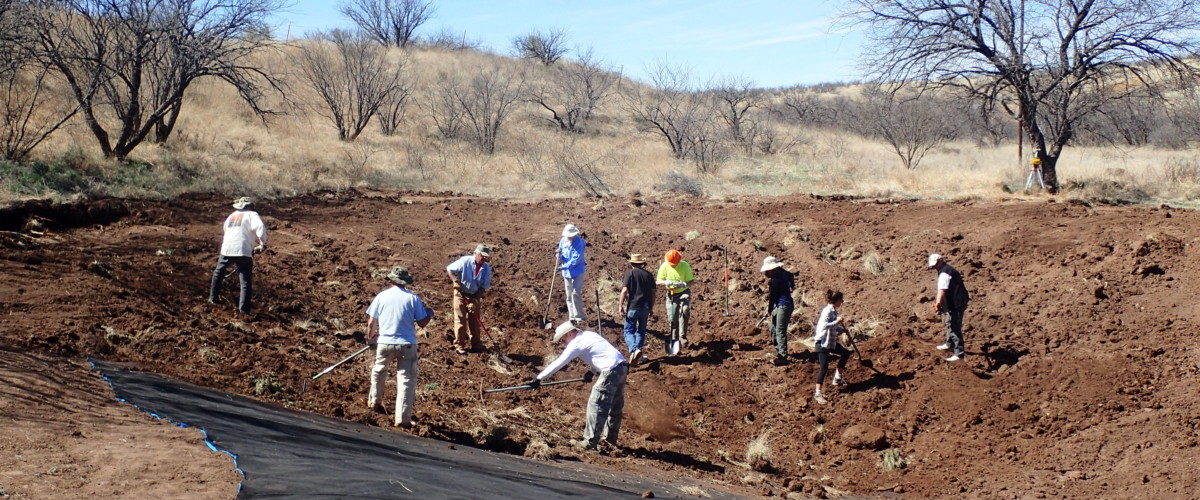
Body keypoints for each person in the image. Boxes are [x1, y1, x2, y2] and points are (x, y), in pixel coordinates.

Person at [525, 321, 628, 450]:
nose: (563, 342)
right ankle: (610, 441)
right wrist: (591, 371)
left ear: (569, 334)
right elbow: (601, 353)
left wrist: (539, 378)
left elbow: (560, 362)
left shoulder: (576, 343)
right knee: (615, 407)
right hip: (622, 367)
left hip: (610, 370)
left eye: (563, 339)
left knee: (596, 404)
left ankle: (589, 443)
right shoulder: (589, 335)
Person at [366, 266, 432, 428]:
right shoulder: (413, 298)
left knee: (379, 370)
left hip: (385, 342)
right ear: (405, 282)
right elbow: (422, 322)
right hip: (406, 344)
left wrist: (370, 339)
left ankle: (374, 401)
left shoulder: (382, 296)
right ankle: (402, 419)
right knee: (406, 380)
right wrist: (430, 313)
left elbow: (371, 322)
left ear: (391, 280)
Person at [208, 196, 267, 314]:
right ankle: (244, 311)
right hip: (243, 250)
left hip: (227, 249)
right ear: (250, 206)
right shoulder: (252, 215)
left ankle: (213, 298)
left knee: (218, 272)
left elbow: (226, 230)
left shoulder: (232, 215)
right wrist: (262, 244)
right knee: (245, 280)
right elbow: (260, 227)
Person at [445, 244, 493, 354]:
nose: (484, 259)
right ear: (476, 253)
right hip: (460, 295)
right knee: (460, 321)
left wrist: (475, 301)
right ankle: (459, 345)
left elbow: (483, 287)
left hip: (474, 295)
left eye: (486, 257)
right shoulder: (465, 261)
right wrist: (455, 281)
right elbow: (450, 269)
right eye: (482, 256)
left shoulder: (486, 269)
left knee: (475, 322)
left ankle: (476, 344)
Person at [928, 253, 970, 361]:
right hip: (956, 301)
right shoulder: (946, 270)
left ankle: (959, 353)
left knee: (954, 327)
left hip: (957, 302)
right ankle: (949, 343)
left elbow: (942, 290)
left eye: (936, 264)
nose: (934, 267)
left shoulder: (945, 273)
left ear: (941, 260)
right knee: (949, 322)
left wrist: (938, 303)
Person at [812, 290, 850, 405]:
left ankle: (837, 379)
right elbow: (825, 326)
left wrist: (843, 330)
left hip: (830, 342)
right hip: (822, 343)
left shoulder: (833, 311)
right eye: (841, 300)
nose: (842, 302)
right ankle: (818, 394)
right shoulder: (827, 311)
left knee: (846, 353)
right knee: (824, 368)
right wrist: (837, 321)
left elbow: (833, 327)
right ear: (836, 300)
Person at [618, 253, 655, 365]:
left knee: (628, 331)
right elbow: (653, 293)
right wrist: (651, 307)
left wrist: (620, 306)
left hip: (633, 307)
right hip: (645, 307)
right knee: (641, 331)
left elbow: (624, 291)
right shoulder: (649, 275)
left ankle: (634, 350)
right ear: (641, 264)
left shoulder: (630, 273)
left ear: (632, 263)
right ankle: (638, 355)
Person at [655, 249, 694, 349]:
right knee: (673, 316)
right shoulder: (664, 266)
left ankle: (682, 336)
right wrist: (666, 282)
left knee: (685, 311)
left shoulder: (685, 265)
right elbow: (658, 281)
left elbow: (691, 281)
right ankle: (674, 339)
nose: (673, 265)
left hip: (683, 292)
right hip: (671, 294)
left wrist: (684, 283)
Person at [761, 256, 795, 366]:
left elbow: (773, 297)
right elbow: (791, 275)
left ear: (771, 269)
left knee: (780, 331)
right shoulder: (783, 272)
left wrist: (769, 310)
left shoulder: (775, 279)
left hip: (783, 306)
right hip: (783, 305)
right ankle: (778, 351)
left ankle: (782, 357)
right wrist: (792, 286)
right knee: (773, 328)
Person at [557, 224, 587, 323]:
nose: (570, 237)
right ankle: (572, 316)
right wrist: (558, 254)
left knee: (576, 293)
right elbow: (561, 253)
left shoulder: (580, 242)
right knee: (569, 295)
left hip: (577, 271)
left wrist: (563, 266)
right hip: (567, 272)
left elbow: (576, 259)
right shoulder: (563, 240)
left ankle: (579, 316)